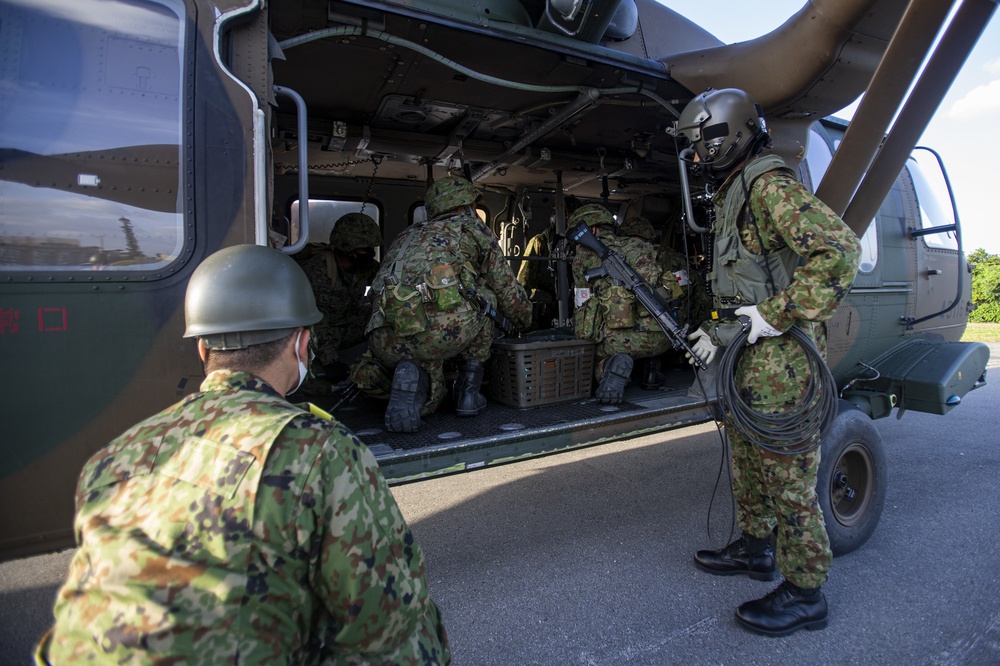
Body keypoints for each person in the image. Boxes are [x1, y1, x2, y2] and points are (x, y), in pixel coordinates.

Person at [35, 245, 450, 664]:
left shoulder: (114, 456)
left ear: (202, 350)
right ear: (302, 345)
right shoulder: (319, 454)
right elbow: (399, 638)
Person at [676, 88, 861, 637]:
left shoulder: (766, 185)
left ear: (726, 136)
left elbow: (840, 250)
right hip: (747, 357)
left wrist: (780, 313)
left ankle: (806, 593)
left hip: (782, 363)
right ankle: (758, 548)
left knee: (788, 479)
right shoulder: (736, 190)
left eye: (698, 145)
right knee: (749, 462)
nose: (692, 158)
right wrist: (717, 333)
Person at [352, 175, 531, 432]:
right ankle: (468, 395)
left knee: (421, 351)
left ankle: (414, 376)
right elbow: (506, 289)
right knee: (486, 300)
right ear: (463, 206)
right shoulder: (472, 229)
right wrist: (526, 320)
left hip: (383, 337)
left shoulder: (407, 234)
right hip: (437, 335)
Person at [570, 204, 675, 404]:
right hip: (662, 335)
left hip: (618, 341)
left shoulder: (582, 256)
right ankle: (652, 367)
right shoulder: (642, 246)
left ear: (591, 230)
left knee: (587, 358)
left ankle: (609, 366)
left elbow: (582, 300)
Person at [293, 212, 381, 390]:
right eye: (364, 249)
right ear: (346, 247)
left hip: (345, 325)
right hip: (316, 334)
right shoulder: (320, 272)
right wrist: (330, 361)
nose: (370, 253)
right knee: (313, 384)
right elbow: (317, 322)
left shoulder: (365, 267)